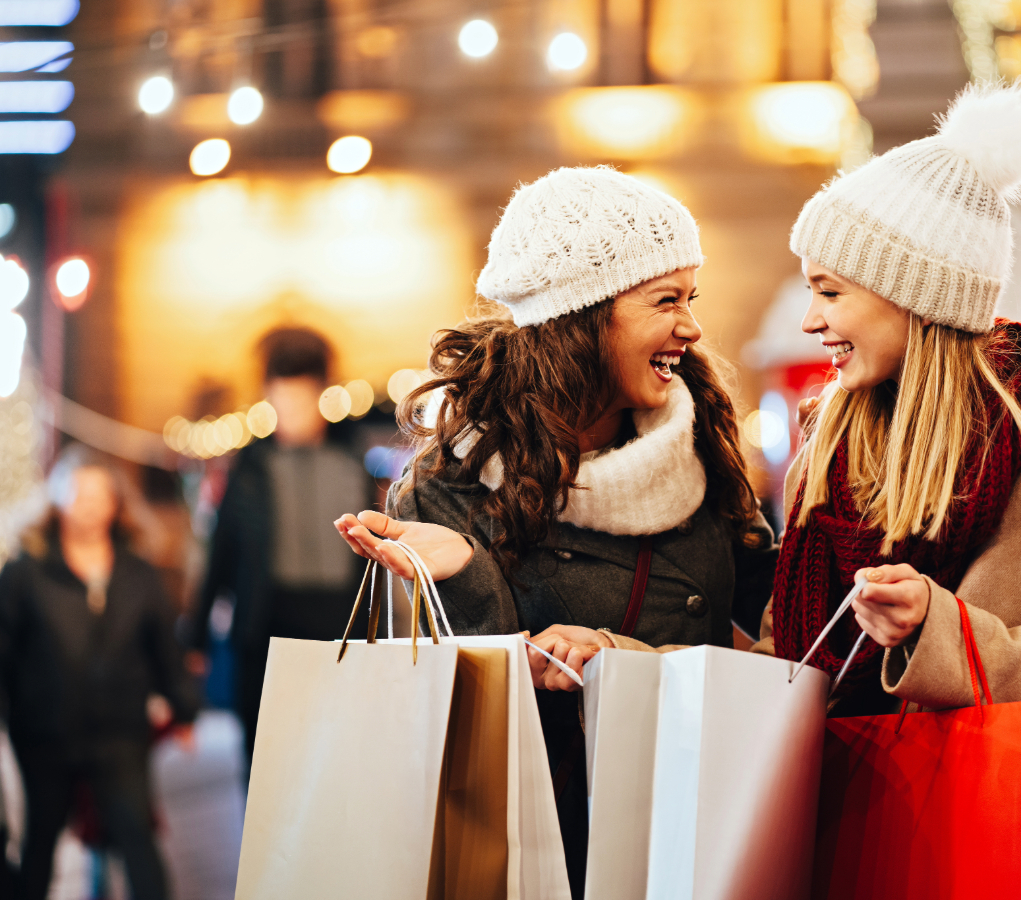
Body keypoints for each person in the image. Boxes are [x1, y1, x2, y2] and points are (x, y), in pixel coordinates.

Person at [756, 82, 1021, 900]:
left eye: (831, 290)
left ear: (915, 296)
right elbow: (786, 665)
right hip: (855, 856)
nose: (809, 320)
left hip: (1017, 864)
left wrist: (935, 631)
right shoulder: (825, 456)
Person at [335, 166, 778, 897]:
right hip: (534, 860)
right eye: (665, 300)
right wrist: (466, 574)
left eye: (690, 298)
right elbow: (462, 736)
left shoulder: (703, 450)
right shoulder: (449, 485)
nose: (693, 327)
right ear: (583, 316)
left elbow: (769, 635)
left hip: (690, 836)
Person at [0, 445, 200, 900]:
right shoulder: (24, 573)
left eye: (100, 495)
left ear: (116, 503)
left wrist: (184, 708)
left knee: (137, 840)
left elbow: (165, 650)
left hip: (121, 731)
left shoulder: (140, 574)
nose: (90, 505)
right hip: (43, 732)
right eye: (79, 494)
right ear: (57, 500)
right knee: (40, 843)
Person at [189, 327, 371, 767]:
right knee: (265, 754)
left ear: (321, 396)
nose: (291, 412)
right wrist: (195, 636)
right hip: (266, 628)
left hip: (339, 628)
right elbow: (222, 553)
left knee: (334, 753)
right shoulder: (249, 469)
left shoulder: (353, 463)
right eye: (281, 401)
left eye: (301, 400)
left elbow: (375, 552)